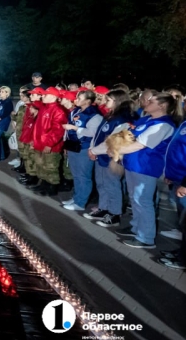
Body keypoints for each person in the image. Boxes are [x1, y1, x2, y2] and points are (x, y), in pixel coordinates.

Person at [113, 93, 182, 249]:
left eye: (152, 101)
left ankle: (146, 237)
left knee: (143, 200)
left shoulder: (163, 125)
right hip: (134, 164)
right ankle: (136, 227)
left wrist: (115, 150)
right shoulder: (147, 120)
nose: (147, 102)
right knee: (135, 198)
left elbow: (140, 144)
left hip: (146, 167)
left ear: (162, 106)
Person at [85, 90, 134, 227]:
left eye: (108, 100)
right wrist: (93, 149)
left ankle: (115, 213)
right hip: (100, 155)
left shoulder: (122, 120)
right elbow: (99, 135)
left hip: (112, 157)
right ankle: (104, 208)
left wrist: (94, 150)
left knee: (112, 185)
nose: (105, 102)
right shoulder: (110, 116)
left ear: (118, 101)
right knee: (101, 183)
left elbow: (112, 141)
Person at [60, 90, 103, 211]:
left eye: (80, 98)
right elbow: (67, 130)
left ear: (88, 101)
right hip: (73, 146)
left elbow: (92, 133)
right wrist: (66, 144)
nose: (76, 99)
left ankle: (80, 203)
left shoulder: (94, 115)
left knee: (83, 176)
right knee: (76, 175)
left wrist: (75, 128)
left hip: (84, 147)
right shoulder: (76, 111)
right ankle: (77, 197)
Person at [159, 115, 186, 269]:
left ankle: (183, 260)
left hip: (184, 180)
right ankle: (182, 252)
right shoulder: (184, 123)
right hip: (177, 177)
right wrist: (170, 173)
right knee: (182, 222)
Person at [32, 88, 68, 197]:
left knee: (51, 166)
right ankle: (44, 184)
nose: (43, 96)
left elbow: (58, 130)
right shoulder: (44, 108)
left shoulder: (58, 110)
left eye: (46, 95)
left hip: (50, 145)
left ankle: (52, 187)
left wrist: (49, 143)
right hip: (40, 143)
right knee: (41, 165)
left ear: (53, 97)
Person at [18, 88, 45, 187]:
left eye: (33, 94)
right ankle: (30, 175)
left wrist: (33, 140)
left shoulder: (40, 106)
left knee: (34, 159)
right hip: (28, 135)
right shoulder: (30, 105)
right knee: (29, 158)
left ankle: (34, 177)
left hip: (34, 138)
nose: (31, 96)